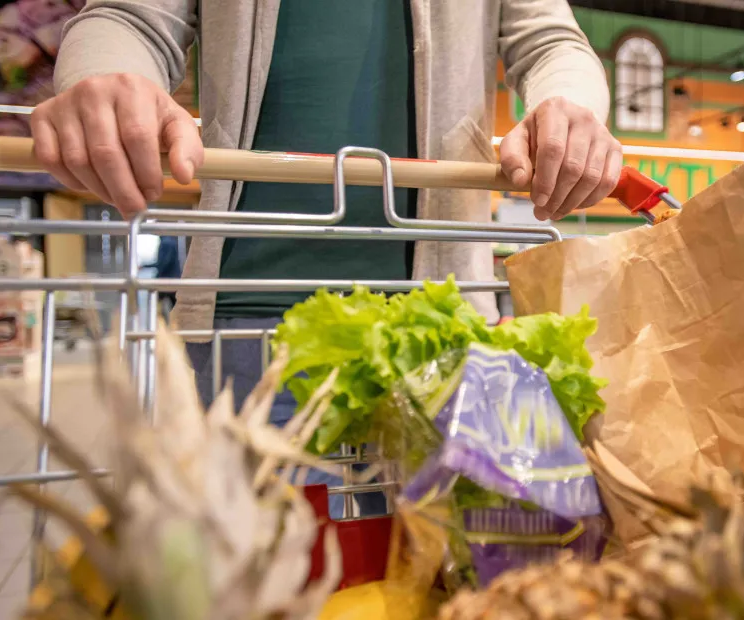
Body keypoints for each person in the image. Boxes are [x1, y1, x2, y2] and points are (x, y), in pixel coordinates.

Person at [37, 0, 622, 515]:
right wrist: (106, 77)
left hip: (443, 324)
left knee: (444, 589)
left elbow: (551, 40)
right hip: (246, 326)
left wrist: (569, 107)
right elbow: (130, 17)